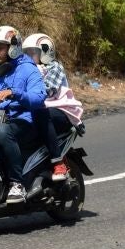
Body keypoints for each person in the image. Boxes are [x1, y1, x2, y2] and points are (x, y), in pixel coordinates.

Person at [0, 25, 47, 203]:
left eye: (0, 48)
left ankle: (17, 183)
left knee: (2, 131)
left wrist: (14, 93)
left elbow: (39, 97)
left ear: (13, 47)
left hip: (24, 120)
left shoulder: (28, 69)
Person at [22, 33, 83, 182]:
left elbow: (48, 90)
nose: (29, 56)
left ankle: (58, 162)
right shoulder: (27, 69)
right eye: (27, 53)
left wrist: (22, 95)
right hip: (37, 108)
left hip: (61, 110)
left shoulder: (54, 67)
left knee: (41, 115)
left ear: (45, 51)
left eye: (33, 52)